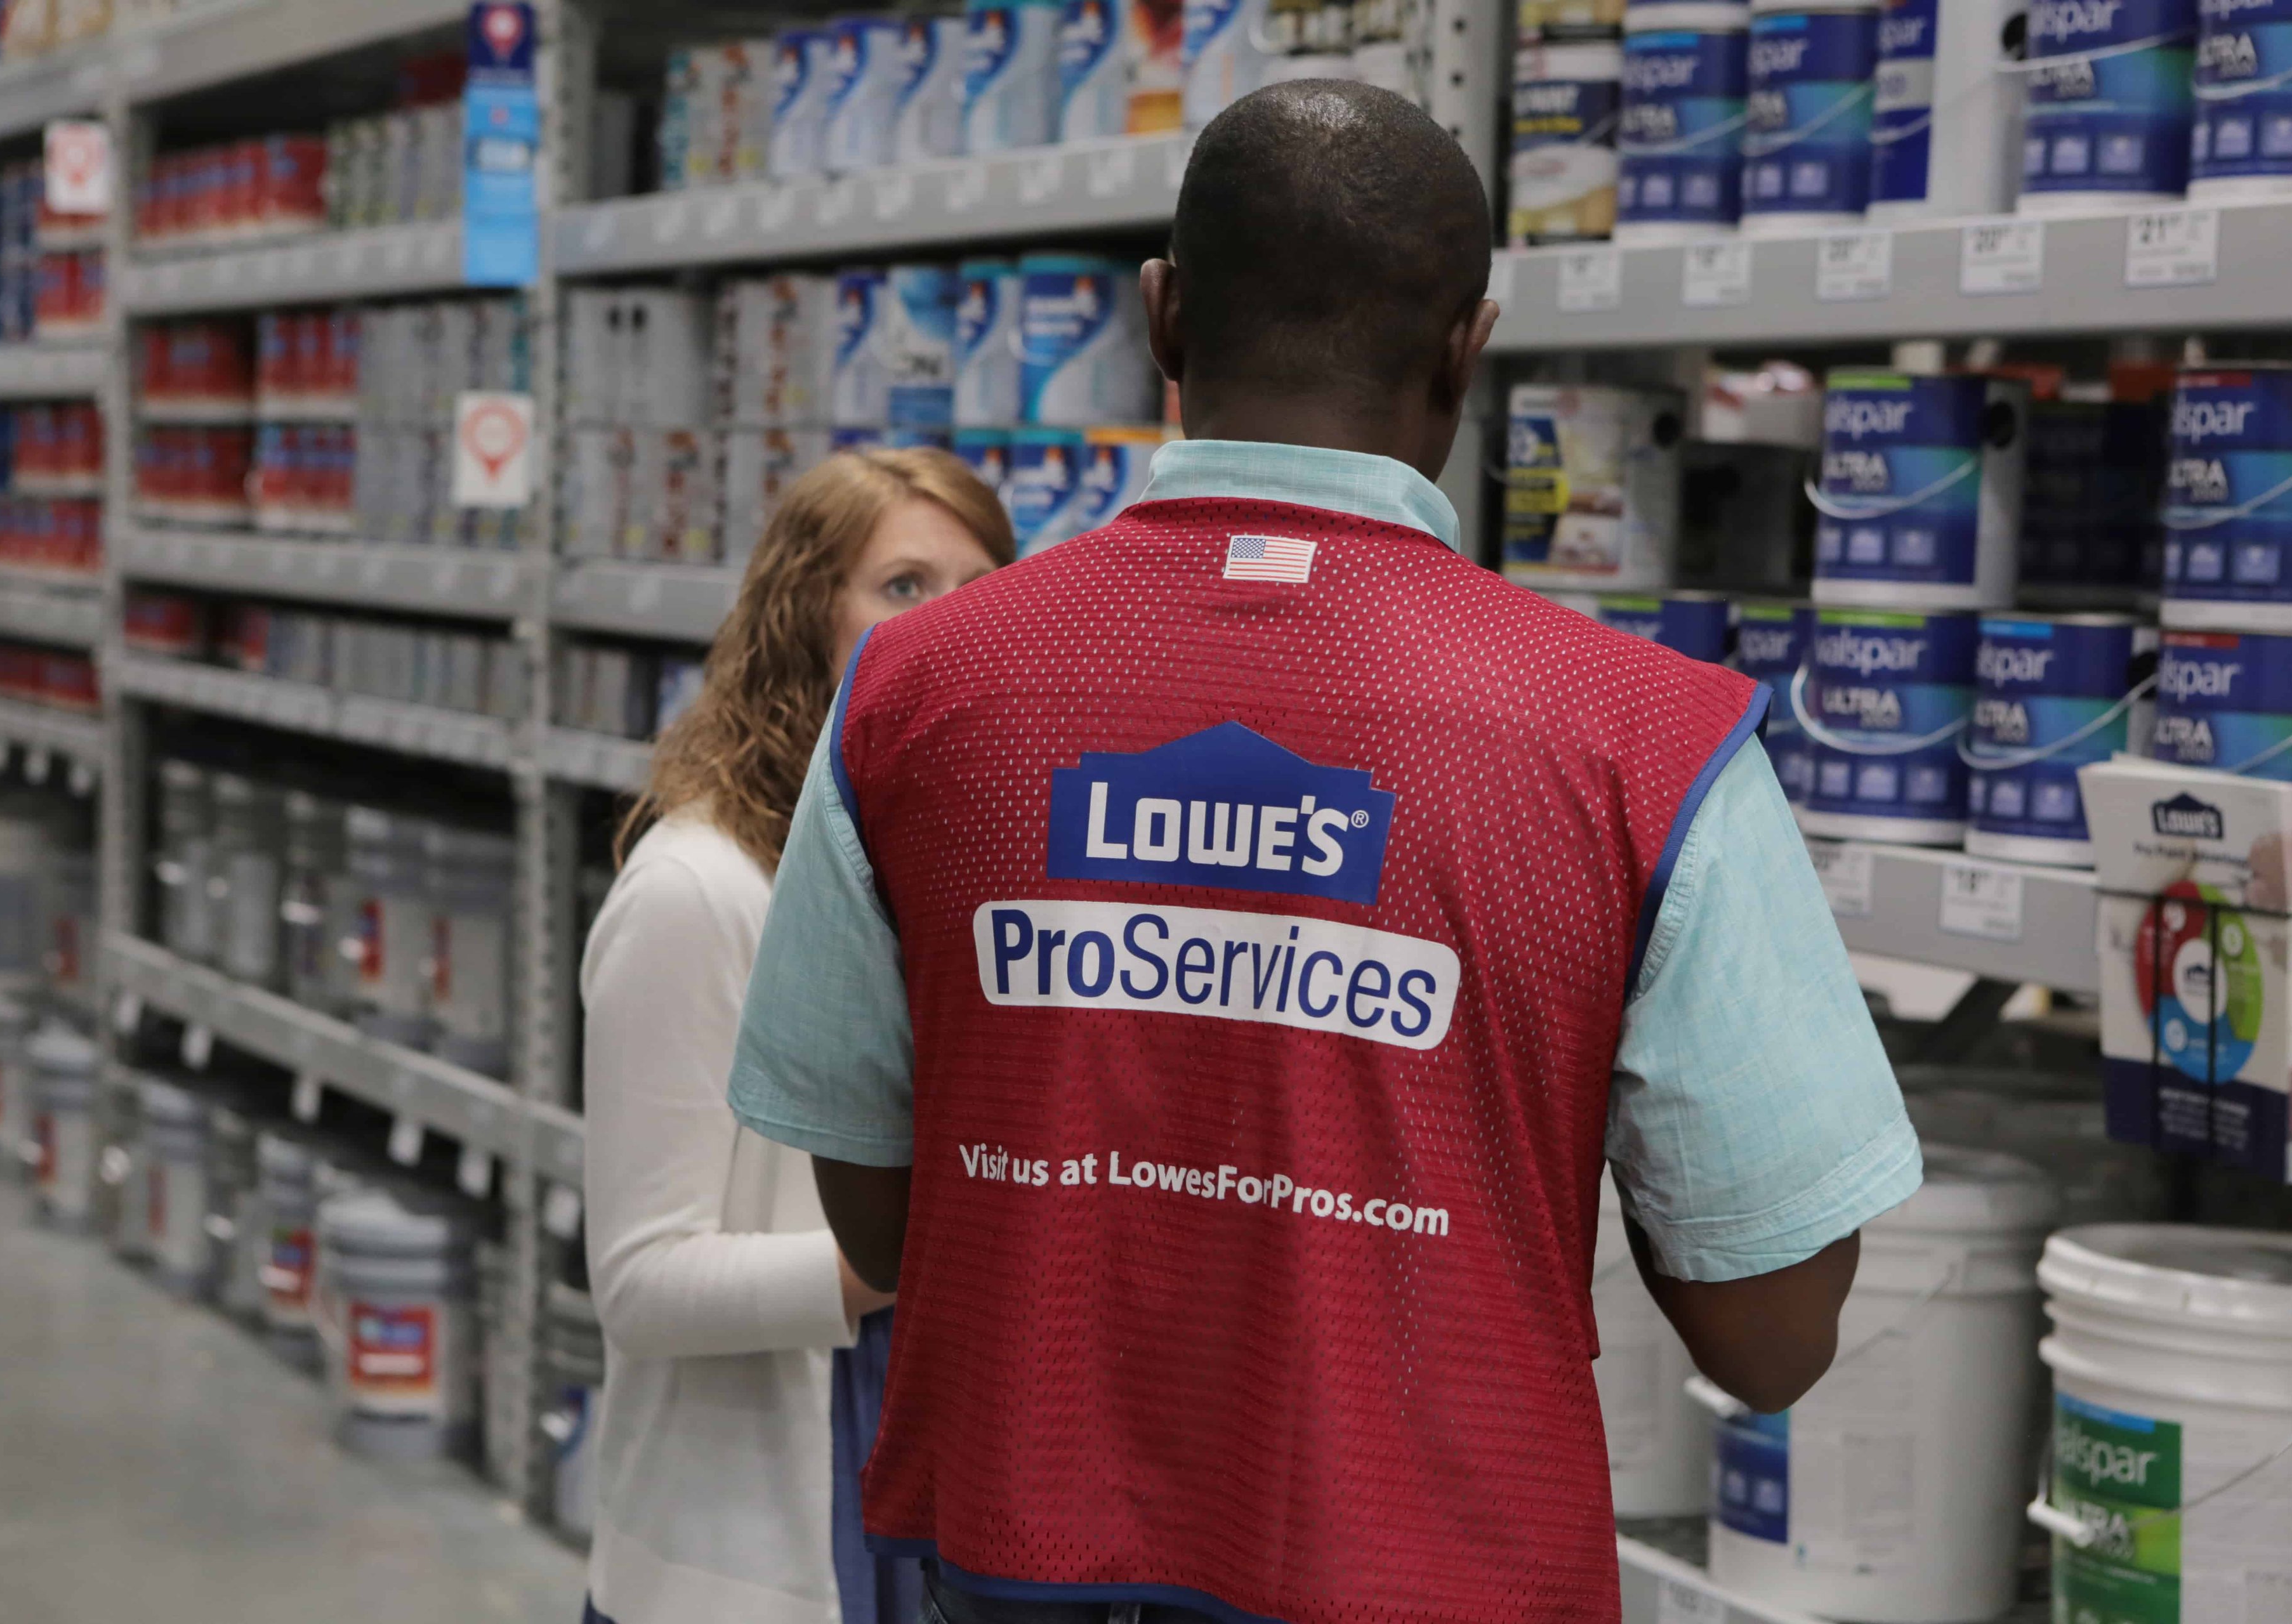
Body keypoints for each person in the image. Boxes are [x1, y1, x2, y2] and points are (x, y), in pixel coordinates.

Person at [726, 81, 1921, 1624]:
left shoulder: (912, 693)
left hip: (1015, 1562)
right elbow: (1772, 1336)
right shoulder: (1644, 742)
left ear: (1162, 318)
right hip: (1439, 1574)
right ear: (1465, 348)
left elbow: (880, 1214)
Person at [578, 447, 1013, 1624]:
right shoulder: (698, 891)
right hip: (758, 1554)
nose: (950, 625)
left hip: (934, 1506)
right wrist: (909, 1254)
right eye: (905, 587)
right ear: (805, 623)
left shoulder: (970, 879)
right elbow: (641, 1283)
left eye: (983, 589)